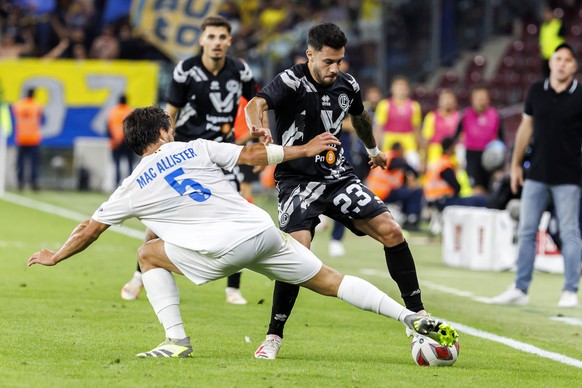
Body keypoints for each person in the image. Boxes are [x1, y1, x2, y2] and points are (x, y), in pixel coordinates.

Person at [26, 106, 458, 358]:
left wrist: (56, 256)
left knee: (148, 254)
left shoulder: (131, 185)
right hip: (261, 231)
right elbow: (253, 156)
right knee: (330, 279)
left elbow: (91, 228)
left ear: (137, 144)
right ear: (164, 132)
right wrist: (305, 148)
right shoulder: (193, 147)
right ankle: (412, 318)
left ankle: (176, 340)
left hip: (217, 253)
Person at [245, 22, 429, 360]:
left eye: (339, 61)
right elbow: (255, 104)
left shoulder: (348, 84)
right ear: (310, 54)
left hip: (338, 177)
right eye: (328, 62)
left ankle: (416, 313)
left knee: (391, 230)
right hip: (297, 180)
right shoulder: (290, 81)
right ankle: (273, 335)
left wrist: (373, 151)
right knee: (297, 253)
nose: (335, 69)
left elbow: (359, 117)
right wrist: (258, 128)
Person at [119, 16, 257, 304]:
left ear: (229, 41)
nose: (217, 42)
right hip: (186, 152)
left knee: (242, 212)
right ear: (202, 40)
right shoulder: (186, 71)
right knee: (161, 218)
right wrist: (162, 148)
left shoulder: (241, 71)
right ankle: (138, 274)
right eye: (211, 36)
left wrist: (258, 136)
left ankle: (233, 287)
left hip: (220, 152)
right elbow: (171, 113)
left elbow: (255, 105)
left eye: (222, 37)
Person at [490, 43, 582, 308]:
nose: (562, 63)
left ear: (574, 66)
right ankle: (520, 288)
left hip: (569, 176)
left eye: (567, 60)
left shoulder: (580, 95)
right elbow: (525, 129)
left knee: (569, 232)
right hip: (536, 174)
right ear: (551, 63)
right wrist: (516, 164)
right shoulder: (535, 91)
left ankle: (570, 290)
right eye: (558, 59)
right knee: (527, 231)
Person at [453, 86, 503, 194]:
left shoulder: (495, 116)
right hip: (472, 157)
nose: (481, 101)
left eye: (483, 98)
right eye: (478, 98)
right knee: (476, 189)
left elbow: (501, 139)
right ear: (472, 99)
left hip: (489, 157)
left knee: (489, 190)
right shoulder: (465, 116)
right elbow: (455, 138)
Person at [366, 142, 423, 231]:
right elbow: (402, 166)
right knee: (416, 192)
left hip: (375, 192)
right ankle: (411, 220)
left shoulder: (387, 157)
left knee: (407, 193)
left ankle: (406, 218)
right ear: (399, 150)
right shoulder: (391, 157)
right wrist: (415, 173)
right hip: (382, 192)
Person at [423, 137, 488, 209]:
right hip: (443, 200)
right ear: (451, 147)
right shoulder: (445, 165)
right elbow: (456, 187)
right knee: (481, 201)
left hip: (432, 199)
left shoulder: (436, 162)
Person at [373, 76, 422, 169]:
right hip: (389, 141)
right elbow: (378, 129)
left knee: (414, 165)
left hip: (409, 143)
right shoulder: (384, 105)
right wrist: (374, 150)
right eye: (398, 86)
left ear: (407, 89)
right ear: (392, 89)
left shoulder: (414, 106)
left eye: (403, 87)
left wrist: (420, 150)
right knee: (386, 168)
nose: (400, 90)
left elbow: (417, 130)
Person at [12, 88, 43, 191]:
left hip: (21, 138)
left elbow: (14, 113)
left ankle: (20, 183)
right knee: (33, 163)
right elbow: (40, 116)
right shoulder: (37, 105)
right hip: (33, 139)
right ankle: (33, 183)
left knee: (20, 163)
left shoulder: (19, 105)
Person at [421, 88, 460, 167]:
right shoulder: (431, 117)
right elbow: (426, 140)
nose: (448, 101)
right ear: (439, 101)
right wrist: (424, 160)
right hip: (435, 154)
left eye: (450, 98)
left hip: (454, 154)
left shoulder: (459, 117)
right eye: (445, 99)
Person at [107, 94, 134, 187]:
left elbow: (108, 126)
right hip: (127, 141)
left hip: (115, 141)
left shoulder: (113, 111)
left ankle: (117, 183)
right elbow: (133, 127)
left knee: (117, 163)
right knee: (130, 163)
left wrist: (113, 139)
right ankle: (131, 183)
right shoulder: (129, 111)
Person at [539, 6, 565, 78]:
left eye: (549, 13)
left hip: (556, 55)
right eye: (546, 14)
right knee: (546, 77)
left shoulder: (558, 25)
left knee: (556, 76)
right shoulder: (543, 26)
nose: (547, 16)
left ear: (552, 14)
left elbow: (563, 36)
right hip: (545, 56)